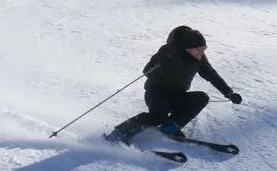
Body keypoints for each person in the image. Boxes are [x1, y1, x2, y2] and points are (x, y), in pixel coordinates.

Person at [104, 26, 242, 144]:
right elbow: (146, 71)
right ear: (188, 48)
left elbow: (211, 75)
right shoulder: (167, 52)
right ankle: (119, 134)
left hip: (177, 94)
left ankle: (169, 128)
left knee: (201, 98)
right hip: (157, 93)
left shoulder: (199, 59)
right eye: (199, 49)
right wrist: (159, 68)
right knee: (156, 117)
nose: (202, 52)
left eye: (204, 48)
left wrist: (229, 93)